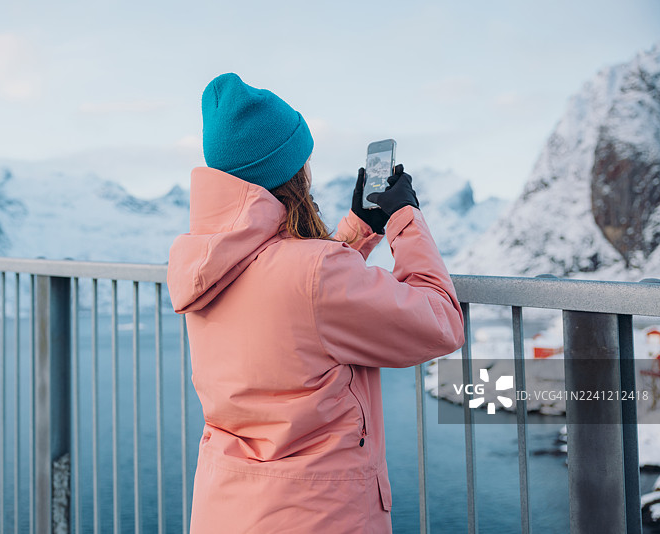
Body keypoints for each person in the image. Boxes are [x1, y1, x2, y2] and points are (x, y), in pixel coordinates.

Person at [167, 73, 465, 533]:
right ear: (291, 171)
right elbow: (441, 321)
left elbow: (292, 288)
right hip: (317, 515)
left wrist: (358, 228)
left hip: (227, 507)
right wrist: (406, 218)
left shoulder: (204, 262)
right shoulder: (315, 272)